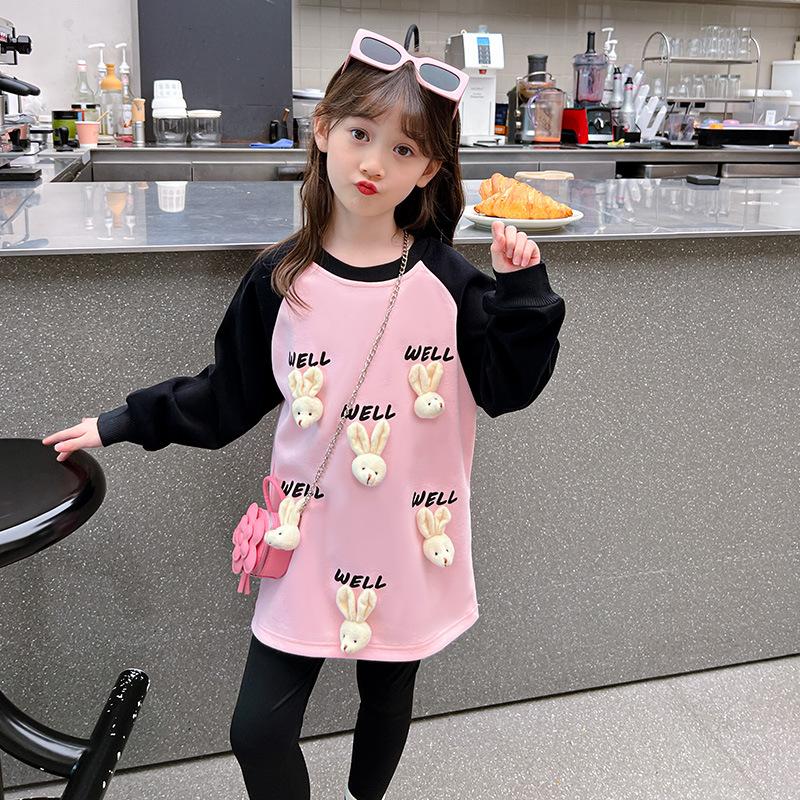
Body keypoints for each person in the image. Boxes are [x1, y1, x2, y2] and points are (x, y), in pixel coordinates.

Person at [41, 27, 566, 800]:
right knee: (257, 730)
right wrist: (120, 423)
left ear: (429, 169)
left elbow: (506, 388)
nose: (374, 163)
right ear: (323, 130)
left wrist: (525, 294)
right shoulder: (280, 279)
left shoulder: (451, 281)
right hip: (309, 538)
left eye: (403, 149)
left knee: (387, 695)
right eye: (360, 134)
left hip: (410, 535)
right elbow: (224, 398)